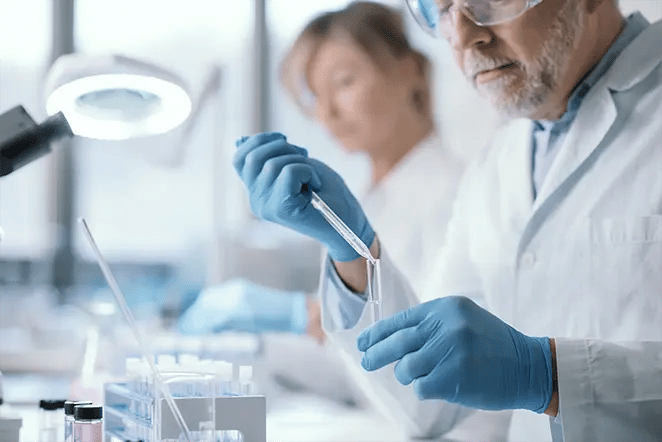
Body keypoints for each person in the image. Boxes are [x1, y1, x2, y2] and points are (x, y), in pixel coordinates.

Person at [233, 0, 662, 440]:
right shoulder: (497, 164)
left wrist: (549, 376)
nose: (462, 35)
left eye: (488, 1)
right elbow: (429, 403)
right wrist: (353, 249)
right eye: (440, 10)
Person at [179, 2, 464, 340]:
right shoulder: (372, 195)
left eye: (344, 83)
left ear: (411, 70)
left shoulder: (454, 196)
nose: (327, 112)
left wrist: (302, 315)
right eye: (314, 95)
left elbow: (418, 342)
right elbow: (350, 353)